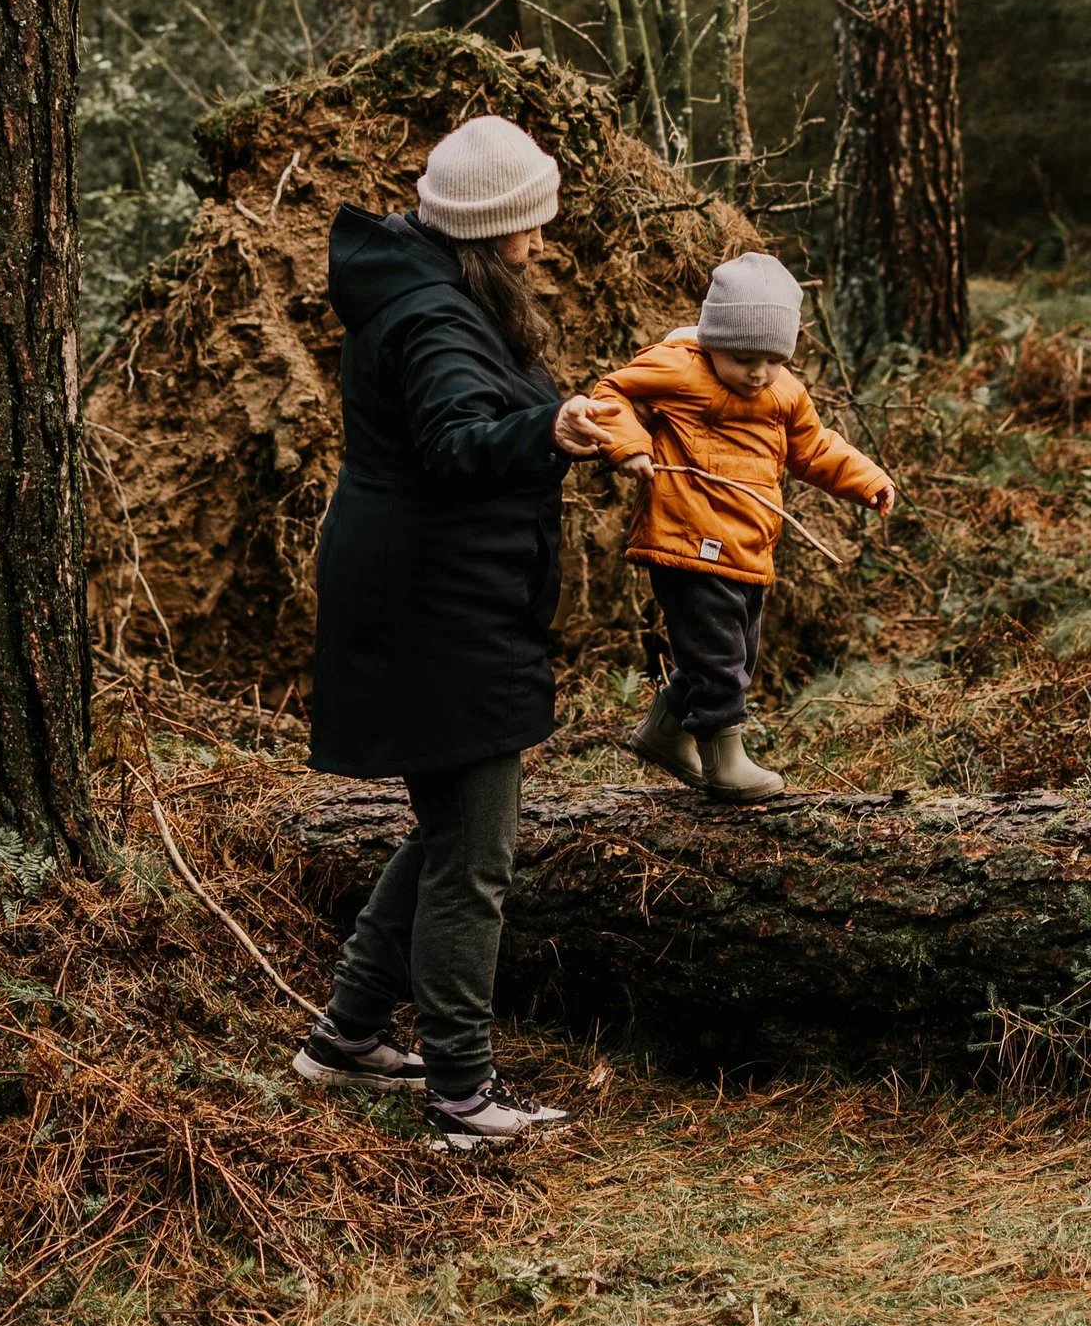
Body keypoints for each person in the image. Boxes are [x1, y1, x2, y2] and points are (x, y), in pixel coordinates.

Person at [295, 111, 608, 1148]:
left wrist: (553, 421)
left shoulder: (431, 287)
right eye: (528, 225)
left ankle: (344, 1035)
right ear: (489, 227)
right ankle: (464, 1096)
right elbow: (456, 439)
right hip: (435, 611)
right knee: (476, 853)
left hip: (434, 596)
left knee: (445, 831)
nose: (539, 240)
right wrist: (549, 428)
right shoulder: (432, 314)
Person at [561, 252, 895, 800]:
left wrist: (866, 479)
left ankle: (664, 733)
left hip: (748, 546)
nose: (757, 373)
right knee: (718, 657)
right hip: (687, 538)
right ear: (712, 339)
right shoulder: (677, 367)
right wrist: (629, 445)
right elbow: (611, 393)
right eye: (743, 357)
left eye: (771, 359)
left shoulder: (783, 391)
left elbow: (813, 447)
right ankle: (724, 762)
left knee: (734, 652)